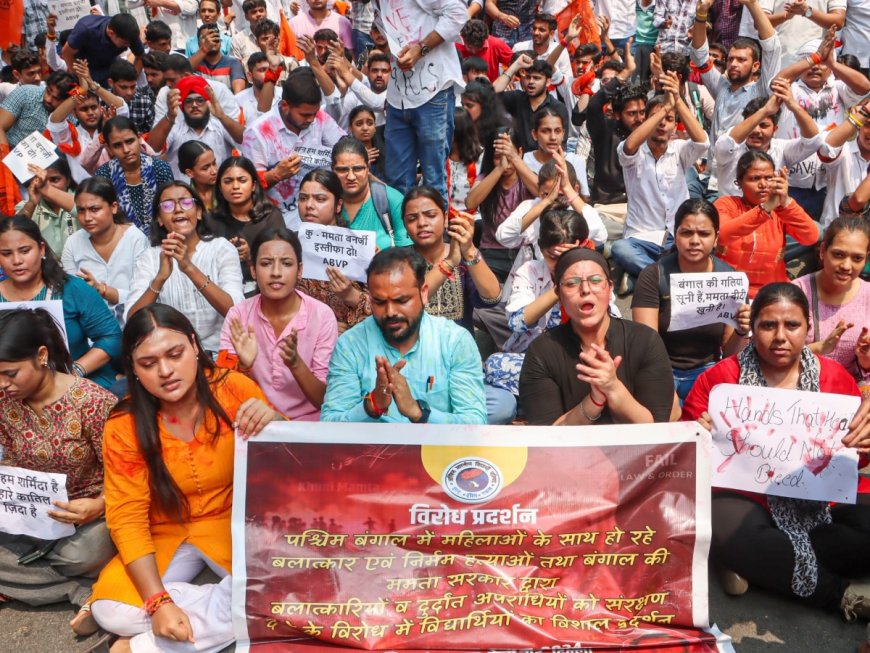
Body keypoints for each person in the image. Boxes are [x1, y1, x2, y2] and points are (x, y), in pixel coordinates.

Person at [89, 304, 281, 652]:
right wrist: (160, 602)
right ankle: (231, 605)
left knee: (278, 582)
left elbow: (286, 465)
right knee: (109, 611)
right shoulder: (123, 425)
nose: (165, 371)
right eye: (147, 364)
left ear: (194, 345)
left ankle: (141, 647)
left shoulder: (234, 389)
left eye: (175, 354)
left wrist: (276, 420)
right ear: (132, 368)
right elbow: (127, 517)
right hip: (166, 532)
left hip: (232, 524)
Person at [682, 282, 870, 619]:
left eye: (792, 325)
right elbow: (687, 450)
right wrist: (700, 433)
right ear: (752, 328)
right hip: (744, 498)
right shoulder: (721, 380)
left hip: (820, 500)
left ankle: (758, 564)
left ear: (808, 328)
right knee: (722, 530)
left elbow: (854, 459)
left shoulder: (834, 377)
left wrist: (863, 442)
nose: (780, 336)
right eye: (768, 325)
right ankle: (840, 594)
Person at [0, 309, 117, 631]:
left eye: (11, 373)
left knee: (85, 553)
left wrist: (99, 505)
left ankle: (30, 582)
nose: (3, 384)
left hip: (89, 517)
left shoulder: (91, 402)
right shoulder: (3, 402)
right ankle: (77, 590)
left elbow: (127, 473)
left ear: (41, 356)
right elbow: (9, 459)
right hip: (31, 517)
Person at [321, 247, 488, 424]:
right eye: (379, 302)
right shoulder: (351, 345)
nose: (391, 312)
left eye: (402, 301)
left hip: (436, 450)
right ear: (370, 299)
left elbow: (475, 423)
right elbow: (330, 423)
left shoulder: (454, 342)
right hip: (371, 451)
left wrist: (419, 413)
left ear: (423, 293)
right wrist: (372, 406)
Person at [519, 247, 675, 425]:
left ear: (610, 289)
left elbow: (656, 428)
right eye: (572, 283)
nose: (585, 289)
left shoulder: (645, 341)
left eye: (595, 280)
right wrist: (594, 401)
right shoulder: (542, 352)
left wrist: (613, 387)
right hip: (572, 453)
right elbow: (548, 438)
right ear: (558, 295)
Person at [631, 199, 752, 402]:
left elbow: (731, 353)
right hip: (660, 368)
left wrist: (742, 329)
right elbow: (647, 343)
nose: (695, 240)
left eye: (704, 234)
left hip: (707, 370)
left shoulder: (730, 279)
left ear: (716, 239)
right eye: (686, 233)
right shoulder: (654, 275)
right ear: (675, 236)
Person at [219, 228, 338, 421]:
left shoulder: (321, 315)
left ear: (299, 271)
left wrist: (295, 363)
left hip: (308, 428)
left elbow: (325, 401)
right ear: (252, 270)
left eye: (286, 264)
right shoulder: (238, 315)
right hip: (255, 423)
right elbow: (223, 391)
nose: (275, 273)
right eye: (266, 264)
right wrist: (243, 366)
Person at [612, 72, 710, 291]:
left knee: (707, 242)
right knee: (620, 249)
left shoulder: (679, 150)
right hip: (642, 237)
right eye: (657, 119)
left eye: (669, 120)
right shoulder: (632, 152)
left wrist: (675, 99)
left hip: (677, 237)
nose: (663, 124)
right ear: (647, 121)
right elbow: (629, 147)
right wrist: (665, 108)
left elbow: (703, 142)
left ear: (675, 125)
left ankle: (646, 278)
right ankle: (669, 281)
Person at [0, 216, 122, 388]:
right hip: (10, 388)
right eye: (6, 254)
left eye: (25, 251)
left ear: (41, 249)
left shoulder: (72, 289)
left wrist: (75, 371)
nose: (17, 260)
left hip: (79, 382)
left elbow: (111, 337)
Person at [126, 182, 245, 354]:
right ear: (159, 219)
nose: (178, 209)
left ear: (198, 212)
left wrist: (188, 268)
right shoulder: (149, 258)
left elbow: (236, 312)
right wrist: (160, 278)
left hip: (220, 353)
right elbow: (132, 322)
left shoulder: (222, 249)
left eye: (186, 202)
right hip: (171, 356)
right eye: (167, 205)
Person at [485, 208, 587, 397]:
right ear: (540, 248)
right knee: (494, 365)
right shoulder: (530, 270)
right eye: (553, 257)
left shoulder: (593, 273)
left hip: (578, 361)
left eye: (567, 256)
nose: (561, 264)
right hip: (534, 359)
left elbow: (611, 321)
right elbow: (516, 322)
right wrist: (561, 287)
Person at [375, 0, 467, 199]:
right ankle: (402, 231)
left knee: (433, 179)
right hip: (397, 96)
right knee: (397, 181)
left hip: (433, 93)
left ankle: (437, 230)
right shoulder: (375, 5)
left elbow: (458, 13)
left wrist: (421, 48)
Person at [242, 67, 345, 229]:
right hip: (279, 221)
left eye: (315, 112)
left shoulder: (318, 117)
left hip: (322, 216)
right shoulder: (258, 132)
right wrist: (275, 175)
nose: (311, 119)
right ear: (285, 106)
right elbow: (246, 186)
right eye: (304, 115)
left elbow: (343, 148)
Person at [715, 150, 820, 297]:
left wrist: (786, 202)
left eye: (769, 178)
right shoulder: (726, 204)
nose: (763, 184)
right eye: (755, 178)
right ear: (739, 182)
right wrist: (765, 209)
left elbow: (811, 236)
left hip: (772, 293)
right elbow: (722, 235)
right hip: (728, 293)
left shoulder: (781, 210)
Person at [404, 186, 502, 333]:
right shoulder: (398, 262)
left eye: (430, 215)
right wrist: (449, 263)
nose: (422, 223)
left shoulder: (464, 256)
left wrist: (469, 251)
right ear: (404, 225)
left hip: (458, 351)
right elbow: (406, 304)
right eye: (412, 218)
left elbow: (492, 298)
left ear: (445, 219)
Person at [793, 217, 870, 387]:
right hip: (798, 398)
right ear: (822, 251)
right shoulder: (795, 294)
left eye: (857, 258)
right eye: (838, 255)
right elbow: (769, 355)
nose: (846, 266)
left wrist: (865, 359)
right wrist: (818, 349)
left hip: (852, 397)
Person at [62, 179, 150, 327]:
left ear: (114, 207)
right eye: (81, 211)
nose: (87, 217)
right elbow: (72, 296)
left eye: (94, 209)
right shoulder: (73, 243)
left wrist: (102, 290)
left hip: (135, 326)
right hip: (92, 331)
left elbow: (145, 297)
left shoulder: (136, 239)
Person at [295, 169, 373, 331]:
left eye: (320, 199)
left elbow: (383, 307)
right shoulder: (288, 247)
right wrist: (321, 327)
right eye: (303, 198)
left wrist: (350, 294)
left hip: (352, 344)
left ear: (338, 205)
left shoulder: (360, 247)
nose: (309, 205)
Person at [207, 156, 285, 294]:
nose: (235, 186)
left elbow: (282, 261)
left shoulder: (271, 217)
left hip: (263, 290)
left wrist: (251, 256)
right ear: (219, 187)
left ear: (253, 185)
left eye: (242, 180)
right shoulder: (211, 220)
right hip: (220, 291)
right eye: (228, 181)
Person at [148, 75, 245, 180]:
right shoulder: (173, 127)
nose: (194, 105)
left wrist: (222, 116)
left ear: (207, 103)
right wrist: (169, 117)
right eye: (188, 101)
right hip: (183, 193)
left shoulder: (220, 125)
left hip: (218, 192)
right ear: (182, 106)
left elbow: (246, 141)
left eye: (200, 100)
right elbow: (152, 149)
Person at [94, 117, 175, 238]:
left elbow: (171, 207)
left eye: (130, 141)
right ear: (109, 148)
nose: (126, 150)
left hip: (162, 239)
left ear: (139, 139)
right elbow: (104, 216)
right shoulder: (104, 175)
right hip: (122, 242)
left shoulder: (160, 168)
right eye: (117, 145)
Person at [331, 137, 413, 250]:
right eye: (343, 170)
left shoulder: (391, 199)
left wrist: (384, 260)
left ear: (368, 168)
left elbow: (407, 252)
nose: (351, 177)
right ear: (332, 170)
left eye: (358, 169)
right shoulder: (325, 201)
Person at [14, 160, 78, 257]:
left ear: (68, 180)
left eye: (55, 180)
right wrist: (31, 203)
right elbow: (14, 234)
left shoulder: (82, 199)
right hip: (49, 270)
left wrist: (46, 189)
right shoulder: (27, 205)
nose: (48, 185)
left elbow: (84, 208)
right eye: (42, 181)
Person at [61, 13, 144, 87]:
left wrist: (132, 82)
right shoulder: (86, 29)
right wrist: (80, 78)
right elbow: (66, 53)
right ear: (111, 33)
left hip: (111, 66)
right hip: (85, 68)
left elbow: (140, 56)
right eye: (125, 43)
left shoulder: (130, 33)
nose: (128, 46)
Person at [347, 105, 386, 182]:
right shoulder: (345, 149)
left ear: (375, 127)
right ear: (350, 128)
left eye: (370, 123)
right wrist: (360, 160)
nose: (365, 128)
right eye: (359, 124)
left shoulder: (384, 145)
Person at [178, 141, 218, 213]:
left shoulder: (225, 190)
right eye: (206, 168)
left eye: (214, 163)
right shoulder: (184, 199)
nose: (214, 171)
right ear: (190, 173)